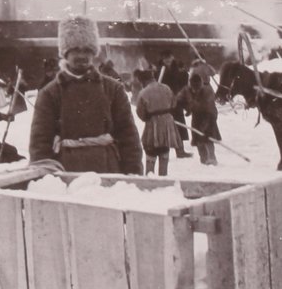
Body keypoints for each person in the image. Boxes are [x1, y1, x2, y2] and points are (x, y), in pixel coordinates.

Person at [29, 15, 143, 174]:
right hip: (67, 174)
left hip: (109, 172)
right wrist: (43, 179)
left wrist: (133, 173)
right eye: (75, 49)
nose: (82, 55)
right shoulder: (49, 93)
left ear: (94, 52)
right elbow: (40, 143)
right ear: (65, 53)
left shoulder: (113, 89)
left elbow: (128, 137)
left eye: (87, 50)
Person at [135, 69, 181, 176]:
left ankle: (150, 179)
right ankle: (163, 176)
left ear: (143, 81)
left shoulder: (143, 92)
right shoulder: (166, 88)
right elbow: (174, 103)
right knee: (164, 150)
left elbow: (140, 112)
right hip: (168, 123)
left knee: (151, 150)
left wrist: (147, 117)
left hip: (153, 123)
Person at [178, 72, 221, 165]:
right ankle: (204, 160)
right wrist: (188, 108)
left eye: (197, 89)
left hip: (209, 116)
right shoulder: (186, 90)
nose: (195, 91)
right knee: (198, 140)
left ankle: (212, 158)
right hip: (196, 117)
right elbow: (178, 100)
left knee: (208, 138)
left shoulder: (208, 91)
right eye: (193, 89)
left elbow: (210, 110)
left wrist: (205, 127)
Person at [159, 51, 193, 158]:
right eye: (165, 58)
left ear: (173, 57)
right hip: (164, 102)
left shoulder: (178, 69)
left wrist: (185, 104)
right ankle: (163, 153)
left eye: (169, 58)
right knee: (164, 127)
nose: (167, 60)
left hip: (176, 102)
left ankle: (180, 151)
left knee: (179, 126)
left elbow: (184, 85)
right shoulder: (159, 70)